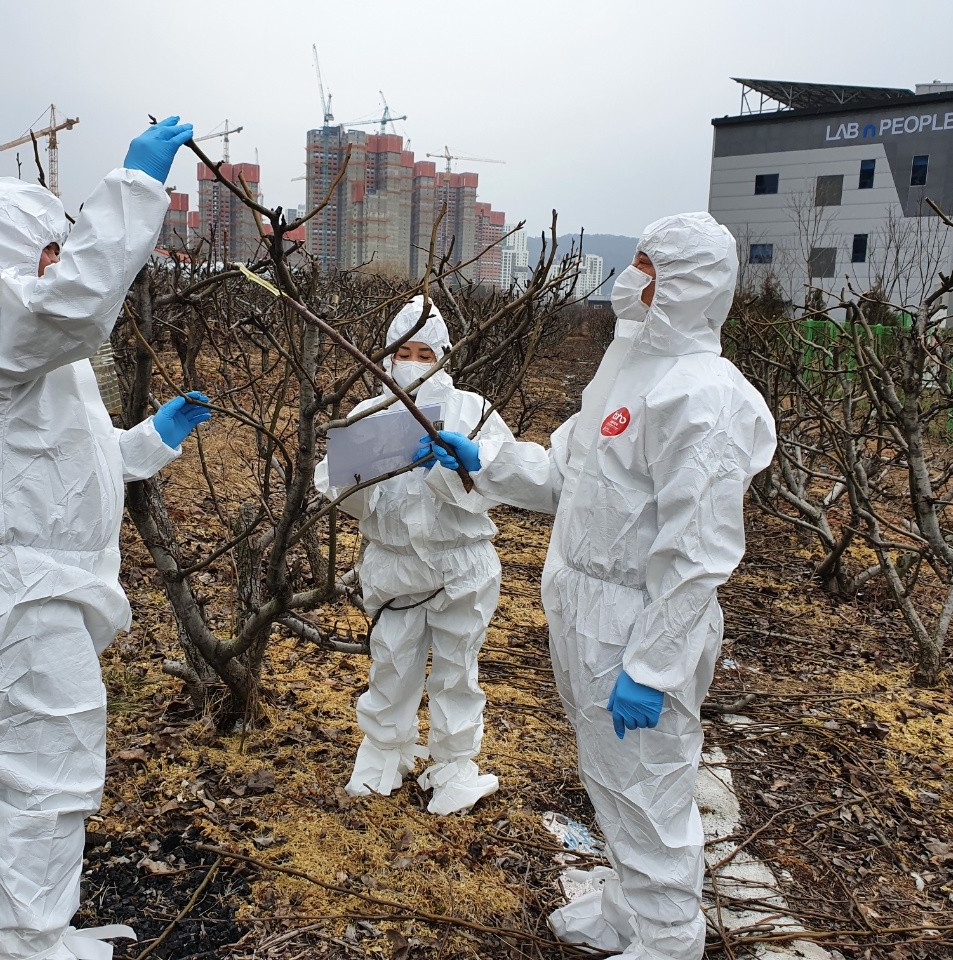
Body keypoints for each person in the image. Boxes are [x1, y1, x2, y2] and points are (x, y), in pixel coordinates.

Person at [0, 117, 208, 960]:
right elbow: (75, 306)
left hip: (5, 590)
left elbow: (69, 469)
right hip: (8, 596)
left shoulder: (5, 346)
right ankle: (29, 941)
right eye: (49, 251)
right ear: (13, 248)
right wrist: (136, 187)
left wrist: (155, 436)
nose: (57, 269)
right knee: (48, 774)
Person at [423, 213, 777, 960]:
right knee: (610, 776)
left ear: (685, 284)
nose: (631, 278)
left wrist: (653, 666)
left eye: (648, 266)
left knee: (649, 786)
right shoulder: (626, 370)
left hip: (642, 619)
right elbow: (566, 478)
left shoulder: (704, 397)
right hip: (585, 606)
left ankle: (669, 936)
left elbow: (697, 555)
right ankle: (627, 911)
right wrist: (482, 460)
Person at [315, 295, 516, 815]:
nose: (414, 362)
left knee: (456, 667)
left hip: (460, 563)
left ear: (445, 355)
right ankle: (385, 750)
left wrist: (453, 470)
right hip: (393, 561)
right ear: (386, 354)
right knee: (393, 661)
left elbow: (504, 476)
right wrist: (363, 469)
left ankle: (452, 763)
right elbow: (337, 488)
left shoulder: (473, 411)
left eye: (426, 354)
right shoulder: (367, 413)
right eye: (405, 350)